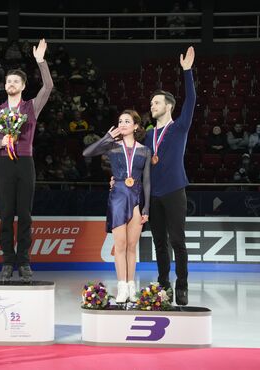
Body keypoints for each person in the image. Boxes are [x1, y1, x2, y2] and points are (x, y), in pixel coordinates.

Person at [0, 39, 53, 282]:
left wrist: (41, 61)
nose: (11, 84)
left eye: (16, 81)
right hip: (4, 165)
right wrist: (1, 143)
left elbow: (48, 86)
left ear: (23, 86)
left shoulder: (31, 107)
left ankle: (24, 261)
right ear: (5, 87)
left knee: (24, 214)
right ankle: (7, 261)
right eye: (8, 81)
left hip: (26, 163)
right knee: (5, 214)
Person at [145, 46, 196, 306]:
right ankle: (163, 284)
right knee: (159, 243)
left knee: (177, 240)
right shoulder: (147, 134)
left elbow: (192, 102)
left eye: (156, 102)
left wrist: (187, 72)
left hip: (175, 189)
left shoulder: (180, 127)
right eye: (151, 102)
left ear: (168, 106)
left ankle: (182, 284)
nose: (151, 105)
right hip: (153, 194)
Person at [83, 110, 150, 303]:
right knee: (120, 246)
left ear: (136, 126)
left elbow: (147, 182)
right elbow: (87, 152)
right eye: (120, 121)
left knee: (131, 246)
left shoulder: (145, 150)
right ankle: (121, 286)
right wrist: (107, 137)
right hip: (118, 199)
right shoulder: (112, 146)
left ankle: (131, 286)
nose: (123, 124)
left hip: (136, 200)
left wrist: (147, 209)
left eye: (127, 121)